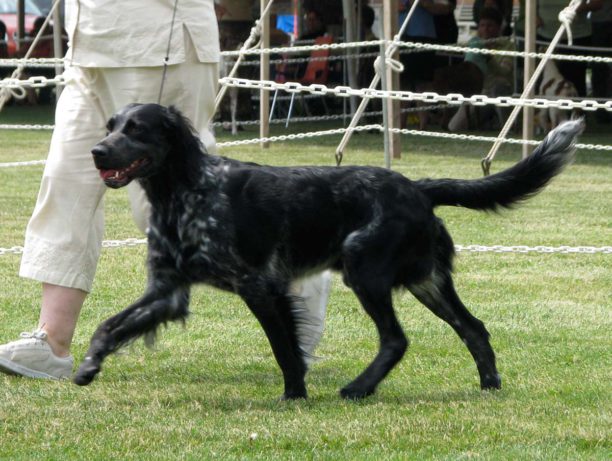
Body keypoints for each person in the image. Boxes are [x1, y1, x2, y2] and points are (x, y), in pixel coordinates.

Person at [0, 0, 330, 380]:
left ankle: (297, 268)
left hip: (159, 41)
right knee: (64, 183)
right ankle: (52, 342)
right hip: (88, 41)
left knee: (175, 204)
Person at [445, 7, 515, 131]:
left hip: (500, 92)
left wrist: (489, 58)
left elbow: (505, 71)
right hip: (478, 93)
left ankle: (506, 128)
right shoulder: (474, 43)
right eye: (482, 25)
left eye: (490, 25)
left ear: (499, 28)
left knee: (499, 87)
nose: (485, 29)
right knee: (454, 127)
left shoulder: (508, 45)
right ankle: (488, 123)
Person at [590, 0, 612, 123]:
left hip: (601, 24)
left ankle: (601, 112)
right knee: (600, 70)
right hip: (600, 23)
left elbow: (596, 4)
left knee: (600, 70)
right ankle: (601, 112)